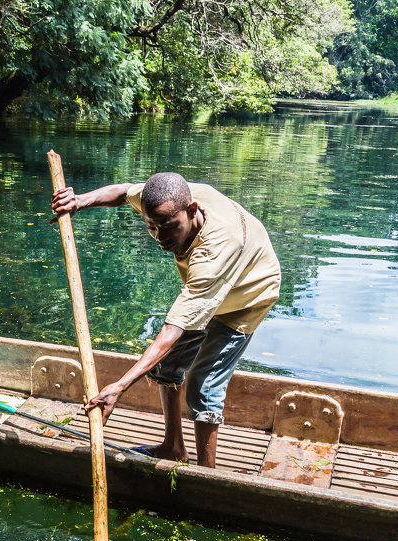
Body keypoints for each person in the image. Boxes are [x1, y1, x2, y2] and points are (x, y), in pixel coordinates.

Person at [51, 172, 281, 469]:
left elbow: (173, 330)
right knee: (167, 365)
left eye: (170, 227)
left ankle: (206, 476)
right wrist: (79, 201)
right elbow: (121, 192)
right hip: (211, 287)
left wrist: (119, 386)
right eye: (152, 227)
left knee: (204, 384)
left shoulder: (214, 254)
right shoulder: (163, 200)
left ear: (193, 210)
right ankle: (173, 447)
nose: (160, 237)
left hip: (248, 294)